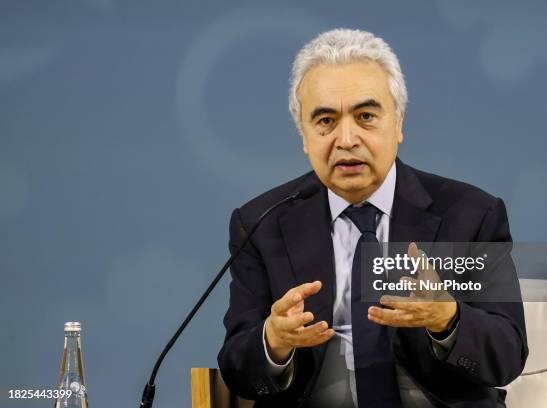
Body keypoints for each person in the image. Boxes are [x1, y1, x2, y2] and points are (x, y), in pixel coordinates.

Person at [218, 28, 528, 407]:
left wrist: (448, 318)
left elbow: (508, 354)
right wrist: (274, 342)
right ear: (304, 135)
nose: (346, 139)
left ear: (398, 123)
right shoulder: (261, 223)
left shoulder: (471, 214)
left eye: (365, 116)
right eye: (326, 121)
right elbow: (237, 366)